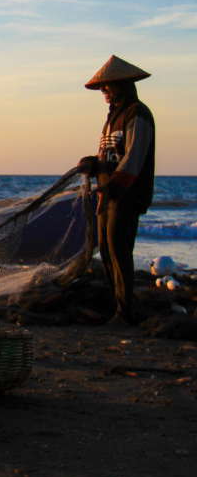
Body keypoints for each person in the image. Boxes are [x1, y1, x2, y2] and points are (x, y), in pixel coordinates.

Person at [77, 55, 155, 328]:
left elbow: (133, 158)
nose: (104, 91)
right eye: (102, 88)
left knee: (120, 252)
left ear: (123, 84)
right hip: (107, 195)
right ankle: (116, 309)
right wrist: (92, 164)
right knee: (107, 251)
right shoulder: (112, 119)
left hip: (125, 195)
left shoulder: (138, 114)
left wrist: (112, 187)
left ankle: (125, 313)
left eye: (108, 86)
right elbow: (108, 156)